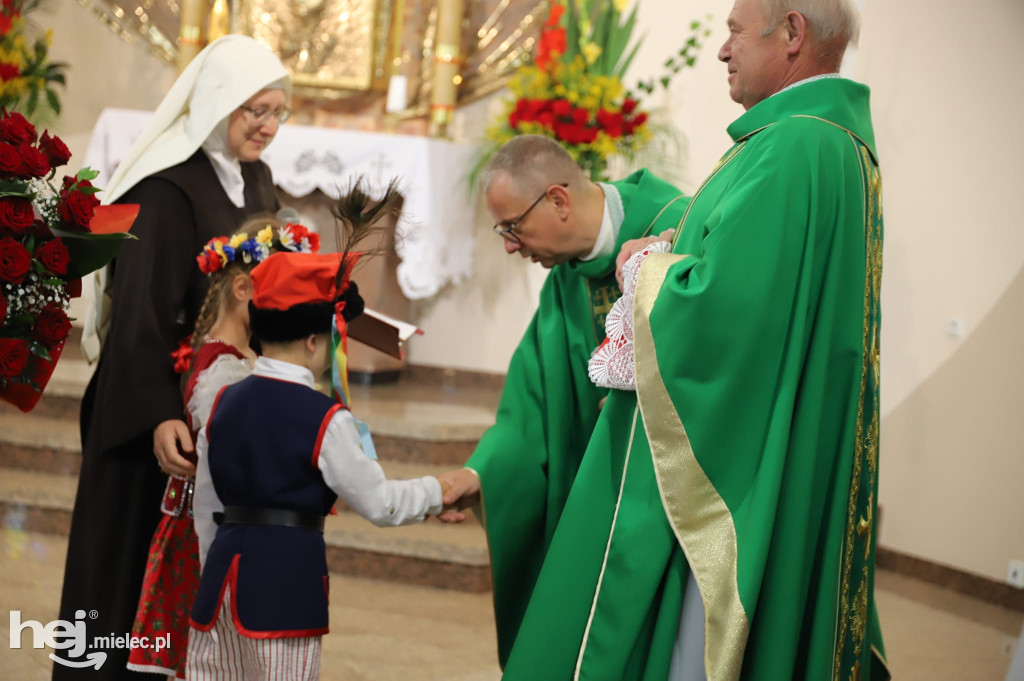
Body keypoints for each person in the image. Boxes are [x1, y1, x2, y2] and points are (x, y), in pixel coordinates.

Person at [446, 0, 892, 679]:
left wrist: (642, 269)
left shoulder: (796, 146)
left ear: (793, 33)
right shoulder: (822, 145)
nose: (722, 49)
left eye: (735, 32)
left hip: (714, 482)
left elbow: (722, 311)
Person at [58, 35, 291, 680]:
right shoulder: (167, 191)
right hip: (150, 410)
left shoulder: (256, 178)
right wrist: (161, 413)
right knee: (121, 573)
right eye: (255, 111)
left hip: (215, 403)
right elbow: (139, 317)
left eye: (278, 112)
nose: (269, 126)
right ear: (217, 105)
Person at [437, 135, 688, 665]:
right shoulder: (567, 279)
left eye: (512, 227)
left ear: (558, 200)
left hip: (670, 507)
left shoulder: (681, 228)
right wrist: (480, 474)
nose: (509, 245)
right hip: (602, 501)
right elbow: (530, 411)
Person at [186, 251, 447, 681]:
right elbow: (380, 503)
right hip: (284, 597)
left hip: (219, 592)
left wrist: (211, 570)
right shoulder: (323, 418)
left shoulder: (223, 402)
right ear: (313, 342)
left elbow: (206, 506)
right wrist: (438, 492)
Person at [126, 220, 314, 678]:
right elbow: (233, 461)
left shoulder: (234, 358)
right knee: (211, 661)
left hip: (218, 528)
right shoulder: (223, 371)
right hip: (206, 535)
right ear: (242, 288)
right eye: (279, 295)